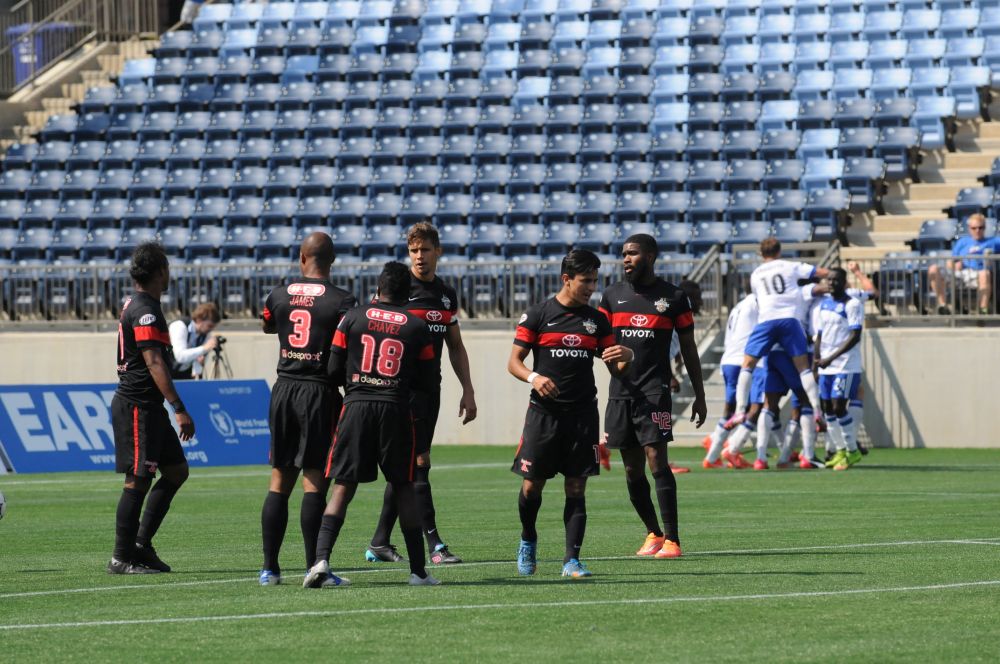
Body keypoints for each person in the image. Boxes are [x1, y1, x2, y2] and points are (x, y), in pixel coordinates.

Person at [304, 262, 440, 588]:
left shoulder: (351, 318)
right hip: (395, 410)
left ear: (378, 289)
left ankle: (320, 561)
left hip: (356, 408)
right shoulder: (416, 326)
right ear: (408, 293)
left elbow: (333, 369)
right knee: (404, 488)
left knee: (342, 487)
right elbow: (427, 381)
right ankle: (419, 572)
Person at [508, 249, 633, 579]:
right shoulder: (538, 314)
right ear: (566, 279)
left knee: (576, 488)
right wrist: (535, 377)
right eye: (585, 281)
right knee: (532, 487)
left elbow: (617, 369)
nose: (592, 287)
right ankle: (528, 539)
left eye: (594, 280)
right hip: (543, 415)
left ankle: (571, 560)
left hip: (582, 416)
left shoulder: (596, 321)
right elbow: (514, 363)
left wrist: (627, 354)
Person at [366, 223, 476, 566]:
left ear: (437, 252)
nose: (419, 257)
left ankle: (380, 542)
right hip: (398, 391)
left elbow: (455, 346)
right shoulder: (397, 290)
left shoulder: (446, 295)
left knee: (407, 467)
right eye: (413, 251)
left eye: (425, 250)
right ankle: (435, 545)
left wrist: (468, 389)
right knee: (418, 464)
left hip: (430, 391)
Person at [258, 233, 357, 586]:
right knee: (314, 482)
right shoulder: (343, 301)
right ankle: (315, 566)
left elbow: (269, 324)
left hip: (284, 388)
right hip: (320, 392)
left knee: (279, 480)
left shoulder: (278, 294)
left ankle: (269, 568)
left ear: (302, 257)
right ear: (332, 261)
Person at [598, 235, 706, 559]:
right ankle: (653, 533)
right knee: (631, 470)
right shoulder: (612, 295)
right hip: (620, 395)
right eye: (623, 254)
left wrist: (699, 395)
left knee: (657, 461)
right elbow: (602, 344)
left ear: (651, 255)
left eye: (632, 253)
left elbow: (688, 348)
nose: (626, 259)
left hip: (654, 393)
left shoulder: (673, 298)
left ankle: (673, 540)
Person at [108, 242, 194, 574]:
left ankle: (141, 544)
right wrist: (179, 407)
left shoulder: (136, 303)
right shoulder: (145, 309)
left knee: (176, 471)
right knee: (137, 480)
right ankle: (121, 556)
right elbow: (154, 362)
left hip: (148, 407)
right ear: (160, 271)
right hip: (137, 406)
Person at [728, 238, 830, 430]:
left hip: (766, 320)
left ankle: (740, 410)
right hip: (789, 320)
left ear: (761, 253)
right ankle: (817, 411)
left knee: (747, 365)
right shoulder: (789, 266)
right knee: (803, 368)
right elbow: (820, 272)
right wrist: (832, 275)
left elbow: (758, 300)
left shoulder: (756, 273)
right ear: (779, 251)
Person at [703, 292, 762, 469]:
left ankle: (714, 454)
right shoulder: (758, 303)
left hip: (729, 359)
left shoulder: (738, 306)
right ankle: (726, 450)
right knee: (755, 407)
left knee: (731, 410)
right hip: (744, 360)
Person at [814, 268, 865, 471]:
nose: (832, 283)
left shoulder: (852, 304)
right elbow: (819, 334)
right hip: (826, 366)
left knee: (838, 406)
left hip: (845, 365)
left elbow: (855, 336)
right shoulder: (824, 304)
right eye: (829, 280)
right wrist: (816, 361)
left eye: (836, 280)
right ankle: (840, 450)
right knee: (827, 409)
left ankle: (852, 451)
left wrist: (830, 358)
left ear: (844, 283)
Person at [928, 213, 995, 315]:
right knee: (933, 269)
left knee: (985, 274)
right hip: (960, 273)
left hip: (977, 273)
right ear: (969, 229)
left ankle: (983, 309)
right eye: (974, 228)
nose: (977, 230)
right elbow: (951, 262)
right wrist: (955, 265)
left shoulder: (993, 241)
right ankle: (943, 306)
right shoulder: (962, 242)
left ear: (985, 228)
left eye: (981, 228)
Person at [167, 302, 221, 380]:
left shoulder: (206, 334)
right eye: (209, 326)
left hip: (185, 373)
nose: (211, 330)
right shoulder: (179, 326)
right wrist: (204, 348)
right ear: (199, 320)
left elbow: (199, 359)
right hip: (166, 372)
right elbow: (180, 356)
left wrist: (198, 370)